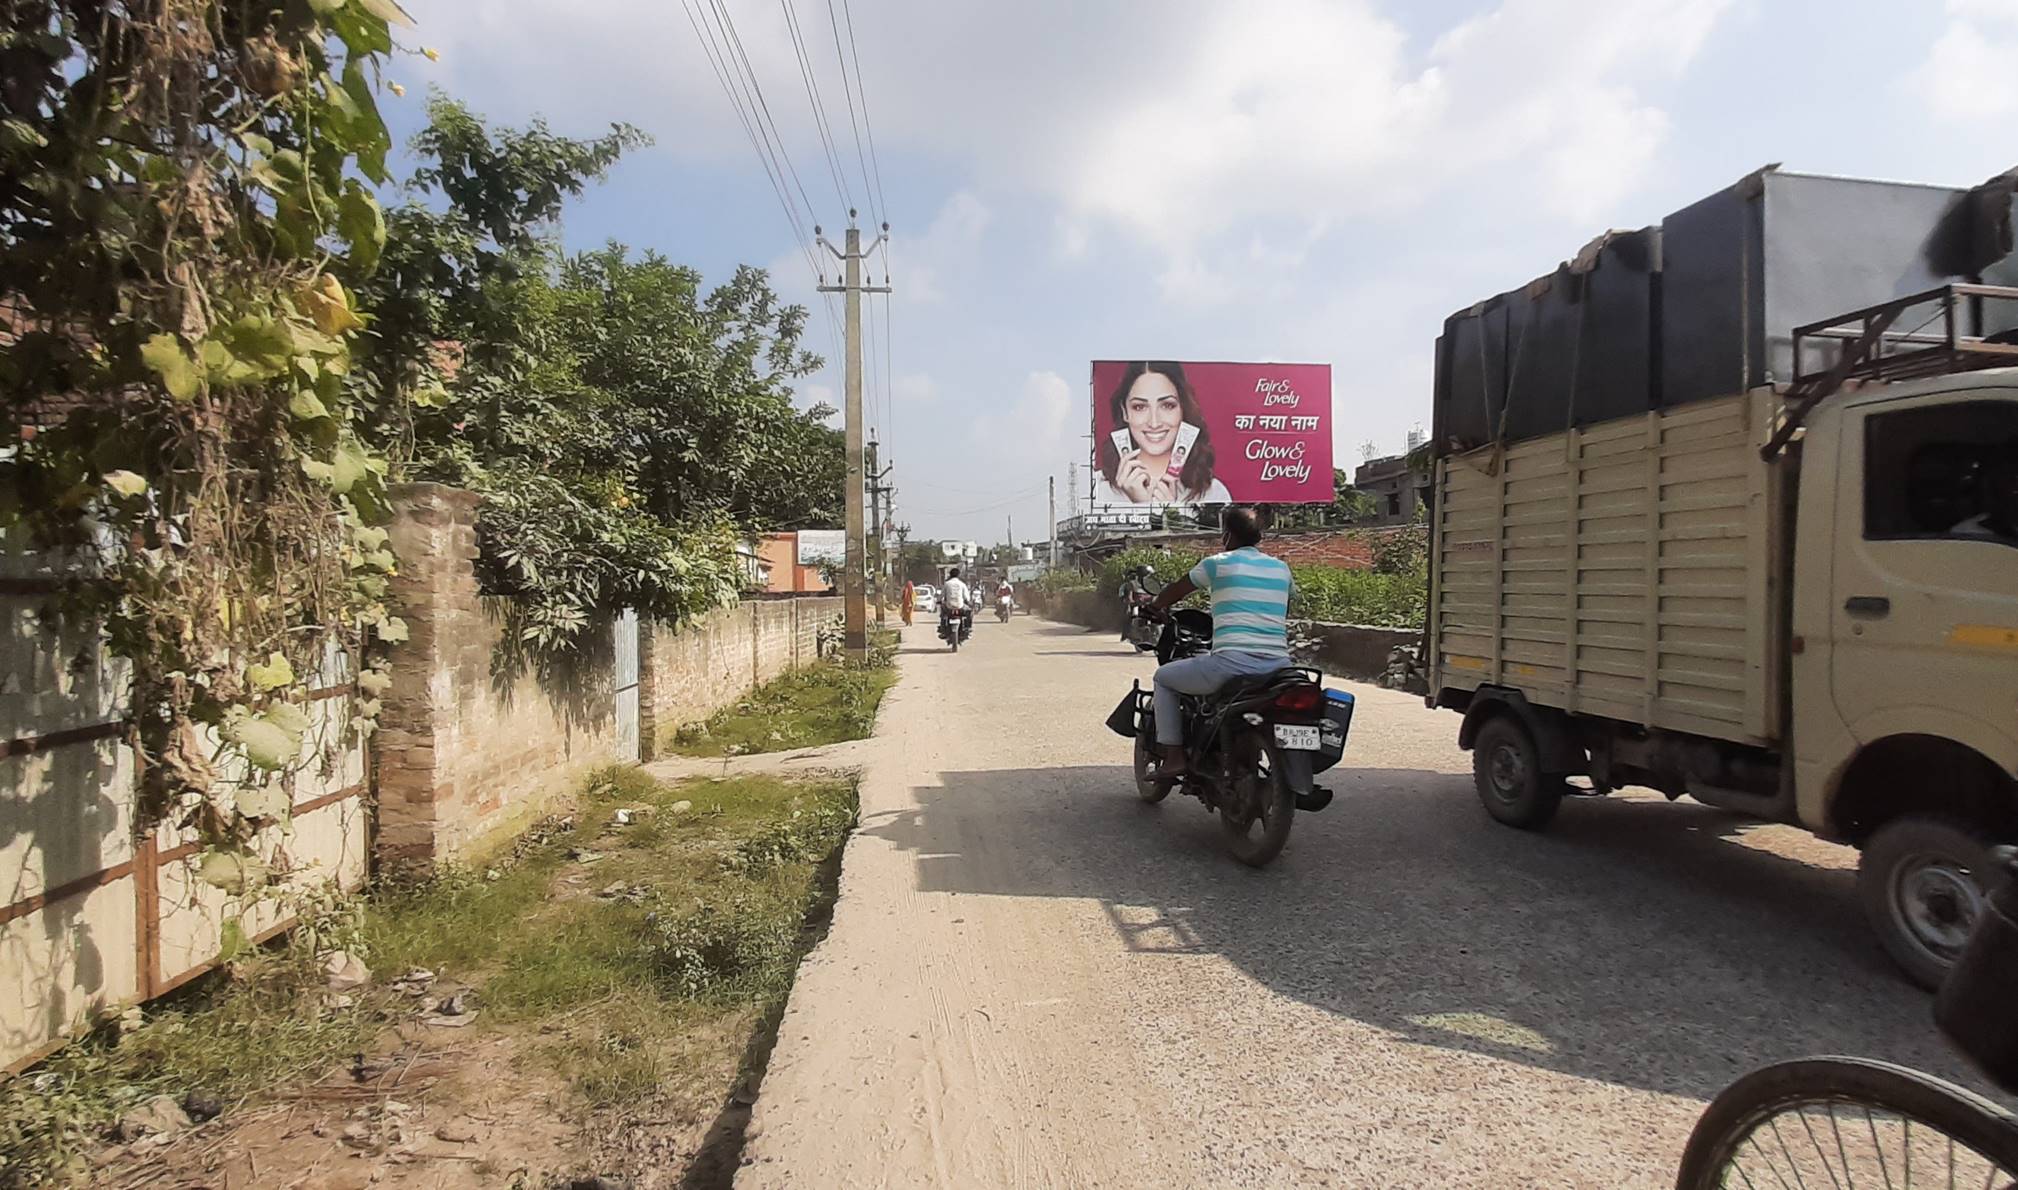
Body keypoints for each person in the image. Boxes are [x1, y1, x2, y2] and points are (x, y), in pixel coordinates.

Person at [1142, 507, 1291, 775]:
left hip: (1232, 665)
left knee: (1163, 678)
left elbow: (1176, 590)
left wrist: (1155, 605)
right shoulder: (1281, 568)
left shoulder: (1217, 563)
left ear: (1227, 534)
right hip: (1279, 668)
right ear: (1259, 536)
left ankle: (1175, 757)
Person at [1095, 361, 1233, 506]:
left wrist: (1171, 514)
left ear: (1182, 410)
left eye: (1167, 405)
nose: (1154, 423)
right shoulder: (1096, 488)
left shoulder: (1213, 493)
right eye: (1139, 407)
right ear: (1125, 412)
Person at [941, 568, 972, 638]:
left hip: (948, 607)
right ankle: (968, 628)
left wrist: (939, 600)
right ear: (958, 575)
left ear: (950, 575)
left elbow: (941, 595)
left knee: (942, 614)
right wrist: (968, 602)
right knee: (969, 612)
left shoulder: (947, 584)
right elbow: (967, 597)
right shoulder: (962, 584)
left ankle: (942, 629)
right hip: (960, 606)